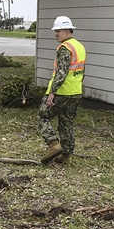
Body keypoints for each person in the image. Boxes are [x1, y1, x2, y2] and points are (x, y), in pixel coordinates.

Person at [38, 15, 86, 164]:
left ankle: (53, 144)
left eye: (58, 30)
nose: (56, 33)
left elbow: (61, 72)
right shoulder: (79, 46)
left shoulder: (65, 48)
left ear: (67, 30)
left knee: (42, 115)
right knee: (66, 122)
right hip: (75, 92)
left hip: (62, 92)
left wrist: (52, 92)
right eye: (55, 30)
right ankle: (66, 156)